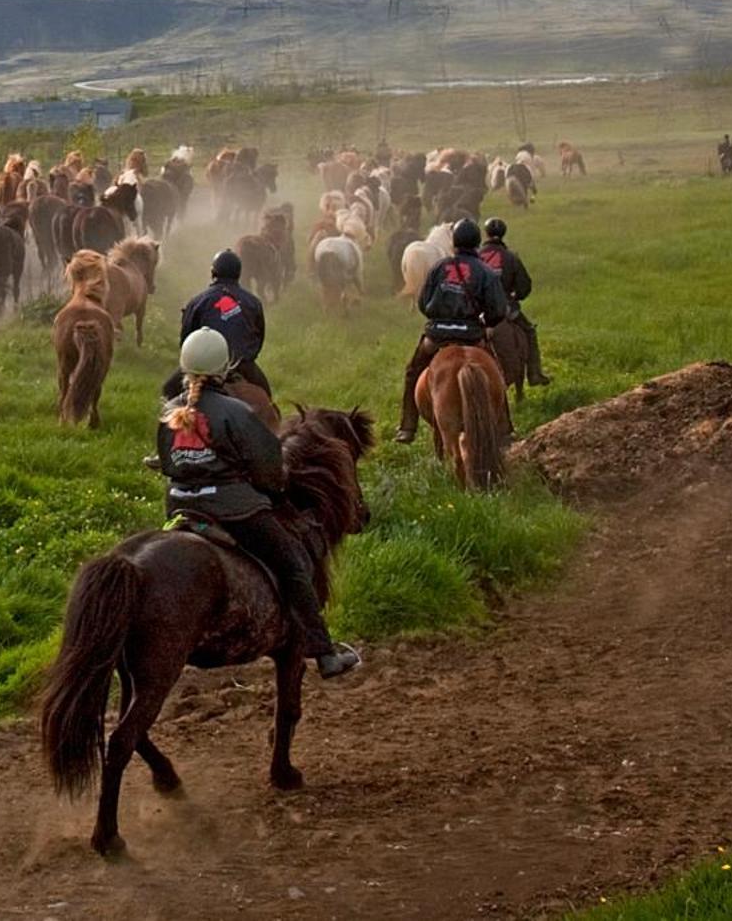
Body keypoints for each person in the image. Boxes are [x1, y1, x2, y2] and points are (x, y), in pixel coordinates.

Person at [158, 329, 358, 679]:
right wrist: (271, 487)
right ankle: (323, 652)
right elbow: (269, 470)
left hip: (179, 506)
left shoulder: (171, 411)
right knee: (294, 564)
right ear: (225, 367)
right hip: (233, 510)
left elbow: (168, 463)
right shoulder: (236, 411)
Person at [394, 217, 513, 443]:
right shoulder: (485, 271)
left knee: (412, 372)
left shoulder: (439, 266)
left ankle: (408, 426)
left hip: (437, 335)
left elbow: (423, 302)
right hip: (471, 335)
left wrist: (438, 318)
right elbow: (498, 309)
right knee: (496, 372)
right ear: (477, 243)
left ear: (454, 243)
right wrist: (487, 323)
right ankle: (505, 428)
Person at [175, 248, 269, 395]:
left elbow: (186, 340)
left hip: (203, 367)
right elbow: (259, 337)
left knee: (169, 389)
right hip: (243, 365)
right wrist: (246, 358)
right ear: (238, 274)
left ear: (213, 272)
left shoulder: (197, 302)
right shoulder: (253, 302)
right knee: (266, 396)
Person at [478, 218, 551, 386]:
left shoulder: (475, 257)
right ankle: (534, 374)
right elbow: (524, 286)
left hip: (477, 310)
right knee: (530, 332)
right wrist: (515, 296)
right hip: (505, 309)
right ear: (503, 234)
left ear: (486, 233)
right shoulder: (511, 257)